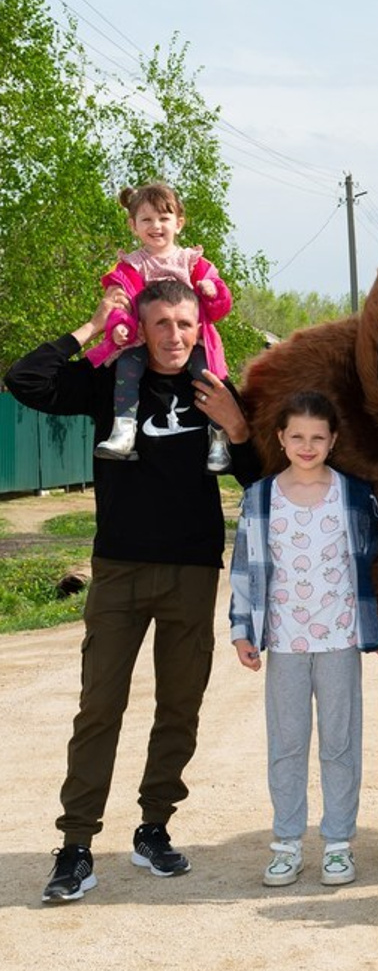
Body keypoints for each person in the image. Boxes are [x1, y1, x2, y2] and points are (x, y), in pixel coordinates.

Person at [5, 280, 261, 903]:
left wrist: (239, 429)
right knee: (100, 708)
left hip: (193, 569)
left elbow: (260, 484)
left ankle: (154, 828)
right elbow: (24, 379)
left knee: (179, 706)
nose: (175, 335)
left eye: (184, 323)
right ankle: (76, 845)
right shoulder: (110, 384)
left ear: (200, 327)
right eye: (162, 324)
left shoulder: (218, 393)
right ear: (141, 330)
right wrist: (90, 328)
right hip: (118, 568)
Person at [229, 391, 378, 887]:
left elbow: (377, 565)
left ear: (333, 440)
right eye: (297, 436)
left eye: (318, 437)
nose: (307, 445)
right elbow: (244, 569)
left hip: (339, 638)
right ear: (281, 438)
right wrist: (241, 630)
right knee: (287, 744)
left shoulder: (356, 495)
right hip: (286, 641)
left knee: (340, 743)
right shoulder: (260, 497)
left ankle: (338, 845)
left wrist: (375, 622)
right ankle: (287, 844)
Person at [86, 183, 233, 471]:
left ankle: (218, 438)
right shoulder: (129, 267)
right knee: (126, 370)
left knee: (209, 380)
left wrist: (212, 292)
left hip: (192, 342)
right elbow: (119, 305)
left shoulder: (195, 264)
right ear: (133, 225)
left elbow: (219, 310)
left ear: (178, 223)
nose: (156, 226)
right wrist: (119, 328)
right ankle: (124, 431)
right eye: (147, 219)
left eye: (164, 219)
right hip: (142, 341)